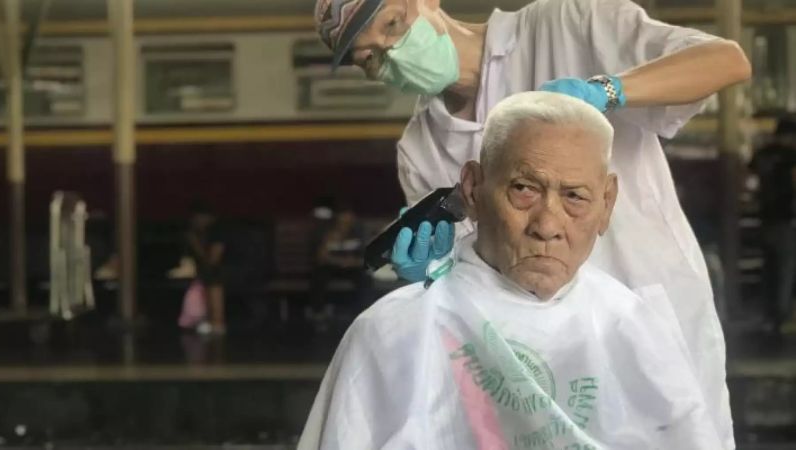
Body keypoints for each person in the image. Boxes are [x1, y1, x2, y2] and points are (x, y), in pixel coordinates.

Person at [313, 0, 751, 445]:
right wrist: (433, 274)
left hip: (644, 320)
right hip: (529, 356)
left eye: (393, 24)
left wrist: (606, 90)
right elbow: (478, 280)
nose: (393, 51)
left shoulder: (569, 24)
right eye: (370, 57)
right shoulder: (421, 147)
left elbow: (727, 61)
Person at [750, 117, 796, 334]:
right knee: (785, 270)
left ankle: (767, 316)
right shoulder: (791, 157)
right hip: (786, 219)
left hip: (765, 218)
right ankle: (781, 318)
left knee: (769, 268)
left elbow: (749, 177)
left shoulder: (763, 154)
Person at [308, 202, 370, 330]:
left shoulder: (358, 232)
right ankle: (318, 314)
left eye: (348, 219)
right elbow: (320, 258)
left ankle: (364, 315)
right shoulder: (325, 232)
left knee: (365, 278)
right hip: (331, 266)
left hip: (352, 267)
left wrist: (352, 262)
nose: (345, 222)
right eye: (342, 219)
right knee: (319, 276)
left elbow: (367, 257)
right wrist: (332, 238)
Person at [169, 200, 227, 335]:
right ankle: (202, 319)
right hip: (210, 270)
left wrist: (195, 244)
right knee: (205, 277)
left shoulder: (218, 231)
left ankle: (217, 321)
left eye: (197, 218)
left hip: (241, 269)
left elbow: (213, 260)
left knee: (213, 276)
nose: (195, 222)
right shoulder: (200, 233)